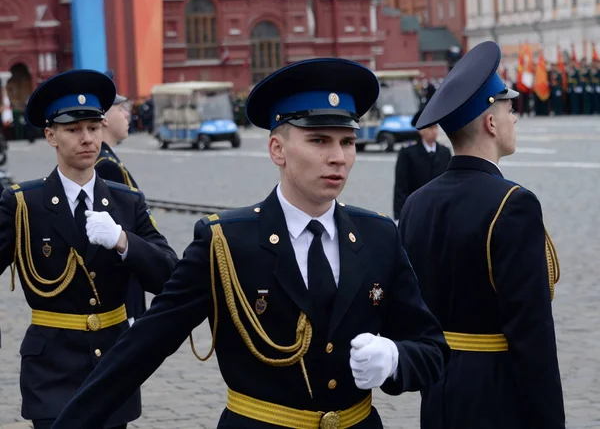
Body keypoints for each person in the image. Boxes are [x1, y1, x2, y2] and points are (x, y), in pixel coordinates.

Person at [51, 58, 449, 429]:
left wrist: (397, 360)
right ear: (277, 149)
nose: (338, 157)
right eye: (319, 141)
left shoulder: (377, 235)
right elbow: (141, 348)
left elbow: (431, 347)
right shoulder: (225, 242)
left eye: (347, 142)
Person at [399, 41, 565, 429]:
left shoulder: (417, 204)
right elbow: (532, 335)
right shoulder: (514, 204)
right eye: (509, 109)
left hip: (437, 389)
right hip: (497, 395)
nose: (514, 118)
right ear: (490, 123)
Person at [0, 69, 178, 429]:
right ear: (51, 135)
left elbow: (170, 275)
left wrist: (123, 241)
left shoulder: (126, 203)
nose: (87, 139)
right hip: (52, 368)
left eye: (94, 128)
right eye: (73, 130)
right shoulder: (24, 204)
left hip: (113, 365)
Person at [96, 80, 146, 324]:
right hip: (121, 291)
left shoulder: (108, 160)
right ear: (104, 118)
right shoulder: (106, 166)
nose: (128, 114)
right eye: (120, 108)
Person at [392, 109, 451, 220]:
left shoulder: (444, 152)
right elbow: (401, 187)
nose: (434, 131)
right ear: (421, 131)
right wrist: (399, 217)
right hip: (416, 211)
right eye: (430, 128)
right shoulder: (408, 153)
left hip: (440, 212)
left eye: (436, 127)